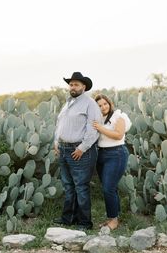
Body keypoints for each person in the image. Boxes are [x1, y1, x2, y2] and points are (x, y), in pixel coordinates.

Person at [53, 72, 102, 230]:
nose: (72, 87)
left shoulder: (89, 104)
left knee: (81, 186)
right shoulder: (67, 103)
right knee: (68, 186)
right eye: (71, 84)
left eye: (76, 84)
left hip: (80, 150)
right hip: (64, 149)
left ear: (83, 87)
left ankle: (85, 223)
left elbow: (93, 128)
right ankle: (68, 218)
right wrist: (56, 142)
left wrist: (82, 148)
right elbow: (60, 124)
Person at [93, 94, 132, 230]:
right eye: (99, 105)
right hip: (101, 154)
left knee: (108, 188)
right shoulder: (97, 119)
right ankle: (113, 216)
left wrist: (99, 128)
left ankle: (113, 220)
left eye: (105, 104)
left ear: (109, 103)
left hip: (117, 154)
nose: (103, 107)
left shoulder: (118, 116)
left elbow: (118, 135)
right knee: (111, 187)